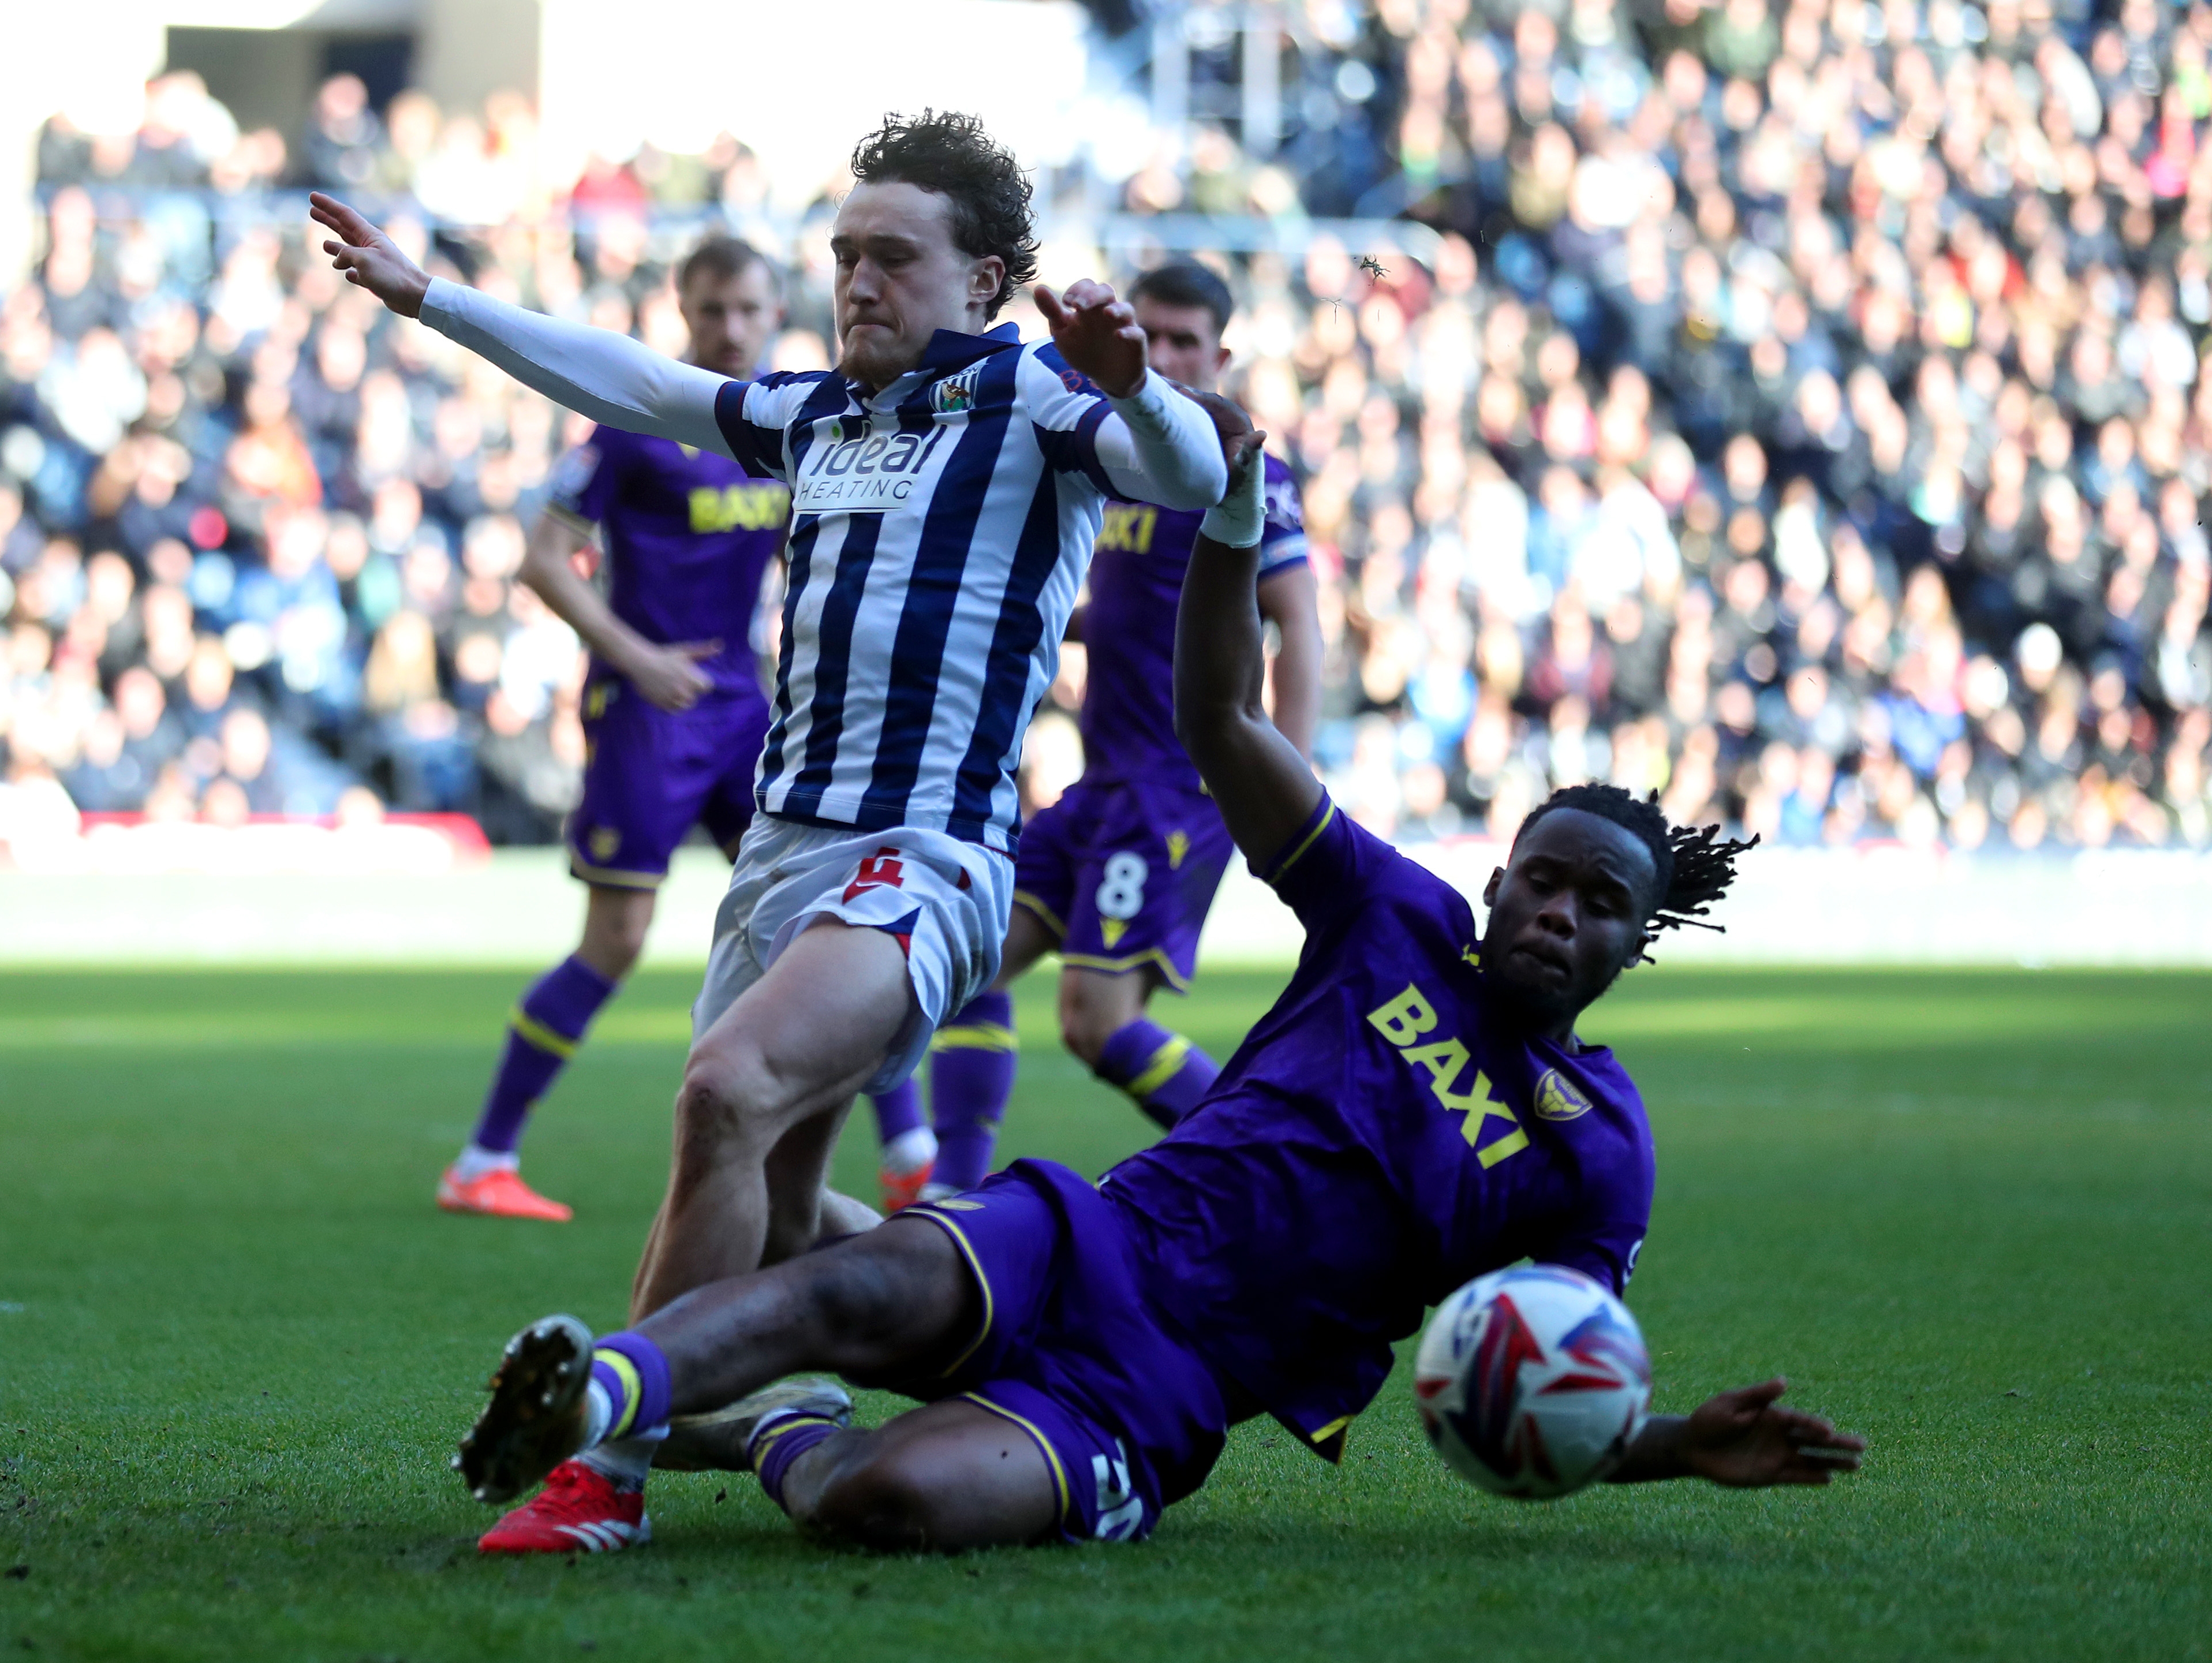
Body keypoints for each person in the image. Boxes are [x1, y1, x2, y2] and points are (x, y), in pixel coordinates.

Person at [445, 410, 1860, 1550]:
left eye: (1598, 904)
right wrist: (1231, 522)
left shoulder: (1597, 1157)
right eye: (1540, 878)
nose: (1558, 912)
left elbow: (1545, 1371)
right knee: (861, 1285)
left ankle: (770, 1424)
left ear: (1633, 944)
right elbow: (1218, 715)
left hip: (1171, 1386)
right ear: (1496, 880)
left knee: (887, 1502)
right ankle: (599, 1394)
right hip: (1096, 1236)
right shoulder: (1389, 913)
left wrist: (1671, 1447)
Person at [310, 108, 1225, 1553]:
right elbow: (634, 382)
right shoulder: (812, 412)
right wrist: (433, 298)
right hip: (779, 860)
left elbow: (1191, 477)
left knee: (727, 1089)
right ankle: (1044, 1353)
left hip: (927, 853)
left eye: (894, 259)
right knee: (779, 1219)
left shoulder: (1035, 399)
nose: (857, 282)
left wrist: (1139, 393)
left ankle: (598, 1469)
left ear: (984, 278)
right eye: (845, 256)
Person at [435, 238, 935, 1224]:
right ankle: (482, 1157)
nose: (732, 329)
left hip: (745, 712)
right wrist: (637, 658)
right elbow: (541, 561)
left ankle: (911, 1153)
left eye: (749, 310)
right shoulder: (634, 427)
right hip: (646, 714)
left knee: (828, 918)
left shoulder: (786, 424)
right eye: (713, 311)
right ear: (684, 312)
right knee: (616, 941)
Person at [921, 259, 1322, 1199]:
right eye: (1155, 335)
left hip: (1181, 786)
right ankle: (949, 1202)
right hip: (1103, 784)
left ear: (1220, 355)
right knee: (960, 964)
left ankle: (1277, 1173)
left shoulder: (1235, 459)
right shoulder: (1106, 453)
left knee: (1094, 1021)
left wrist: (1289, 782)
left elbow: (1296, 620)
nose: (1171, 355)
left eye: (1189, 341)